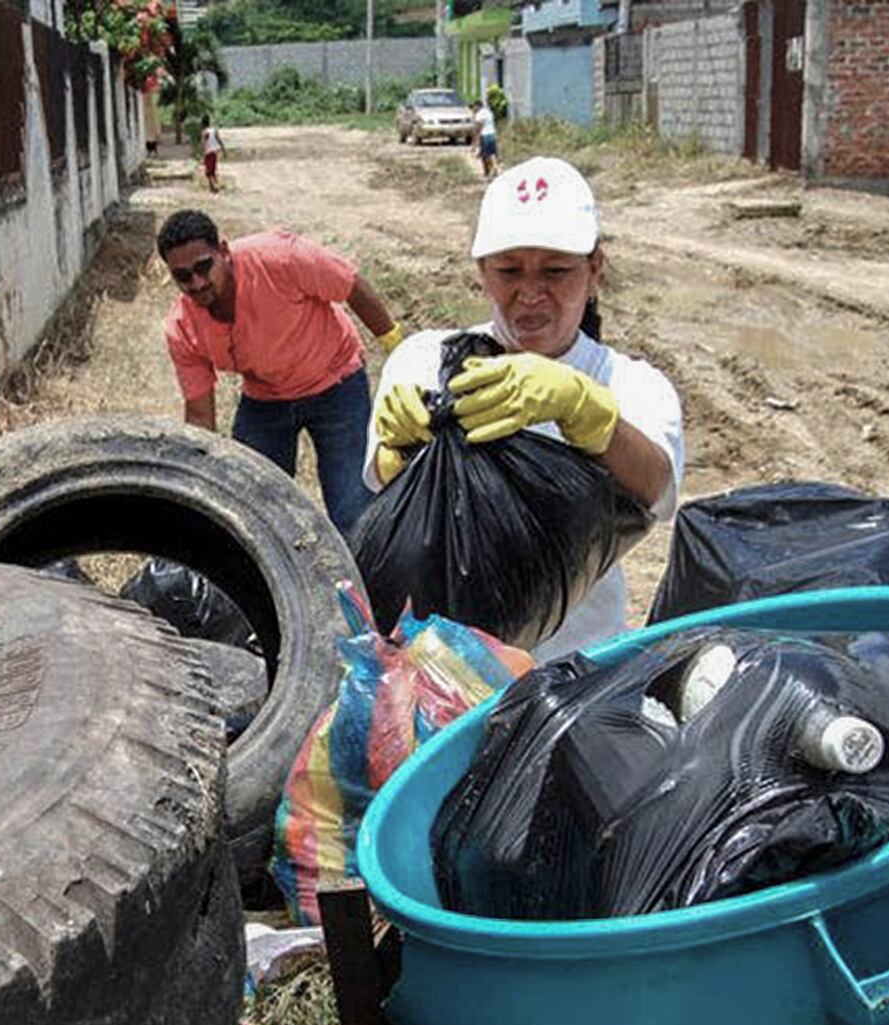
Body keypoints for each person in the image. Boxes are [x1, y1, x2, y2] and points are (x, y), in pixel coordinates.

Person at [363, 156, 685, 661]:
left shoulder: (629, 385)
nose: (531, 293)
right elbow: (387, 490)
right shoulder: (426, 361)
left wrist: (585, 411)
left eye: (556, 271)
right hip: (440, 667)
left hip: (576, 665)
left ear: (594, 270)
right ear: (481, 273)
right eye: (508, 270)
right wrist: (398, 451)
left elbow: (657, 490)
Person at [160, 209, 406, 534]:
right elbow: (200, 416)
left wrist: (398, 349)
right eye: (183, 276)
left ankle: (364, 581)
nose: (197, 282)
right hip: (266, 398)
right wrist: (195, 484)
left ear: (223, 250)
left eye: (204, 267)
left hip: (336, 384)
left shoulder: (279, 258)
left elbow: (351, 285)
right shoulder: (183, 328)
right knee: (248, 506)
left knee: (353, 513)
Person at [471, 98, 499, 177]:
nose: (473, 109)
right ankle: (495, 168)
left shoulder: (479, 115)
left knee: (485, 155)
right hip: (492, 134)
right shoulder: (489, 112)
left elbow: (478, 129)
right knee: (492, 153)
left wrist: (475, 142)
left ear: (477, 106)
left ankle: (488, 171)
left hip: (485, 135)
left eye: (474, 107)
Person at [200, 119, 226, 191]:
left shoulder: (204, 132)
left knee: (209, 171)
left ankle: (213, 186)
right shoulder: (214, 131)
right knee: (212, 170)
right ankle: (213, 185)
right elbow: (219, 140)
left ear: (203, 124)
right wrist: (223, 149)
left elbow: (203, 143)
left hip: (208, 153)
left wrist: (201, 154)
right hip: (214, 152)